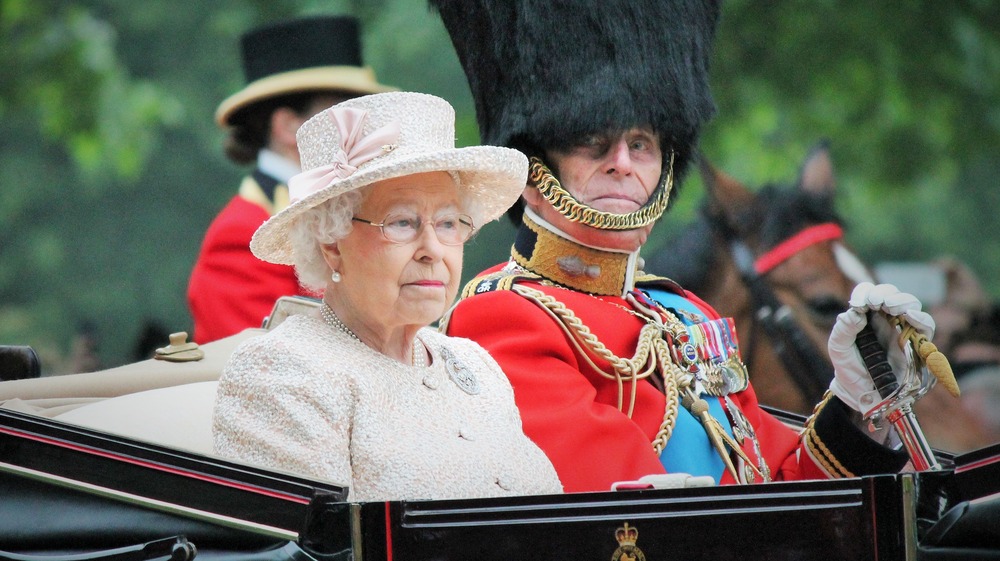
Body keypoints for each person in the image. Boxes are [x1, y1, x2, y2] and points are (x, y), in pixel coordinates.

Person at [433, 0, 939, 492]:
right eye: (592, 140)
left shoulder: (685, 313)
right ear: (531, 173)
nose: (622, 164)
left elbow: (782, 484)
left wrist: (857, 406)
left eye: (641, 144)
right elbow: (643, 519)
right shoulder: (503, 315)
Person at [212, 91, 562, 501]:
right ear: (332, 243)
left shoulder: (475, 366)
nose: (433, 248)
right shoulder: (280, 374)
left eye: (448, 223)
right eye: (401, 222)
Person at [188, 15, 395, 344]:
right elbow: (260, 369)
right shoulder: (241, 234)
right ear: (287, 126)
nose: (363, 128)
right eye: (345, 113)